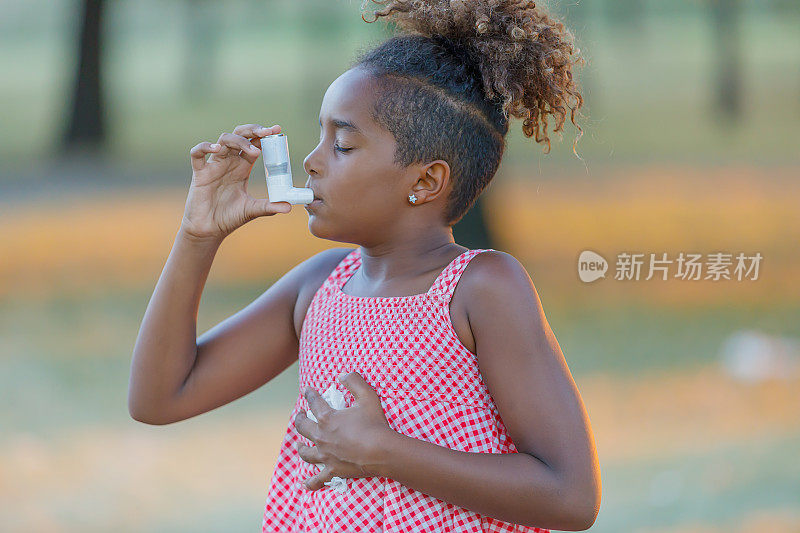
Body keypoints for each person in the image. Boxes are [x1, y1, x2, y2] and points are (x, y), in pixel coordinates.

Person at [128, 0, 600, 531]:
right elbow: (159, 397)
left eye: (344, 144)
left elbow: (571, 495)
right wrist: (198, 235)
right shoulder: (319, 286)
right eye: (320, 134)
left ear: (425, 182)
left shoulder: (480, 288)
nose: (312, 160)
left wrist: (385, 451)